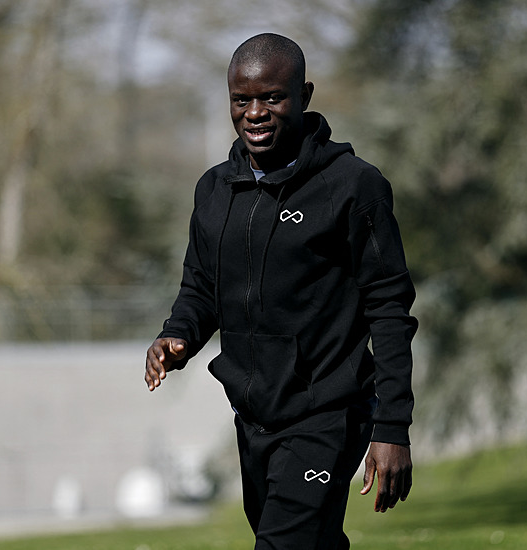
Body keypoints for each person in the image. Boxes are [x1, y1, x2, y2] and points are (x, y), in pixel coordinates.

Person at [145, 32, 418, 549]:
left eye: (272, 98)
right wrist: (177, 335)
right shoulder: (214, 190)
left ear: (304, 95)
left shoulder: (353, 186)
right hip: (254, 419)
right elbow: (201, 287)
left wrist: (392, 427)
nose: (255, 113)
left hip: (328, 415)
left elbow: (390, 310)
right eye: (241, 100)